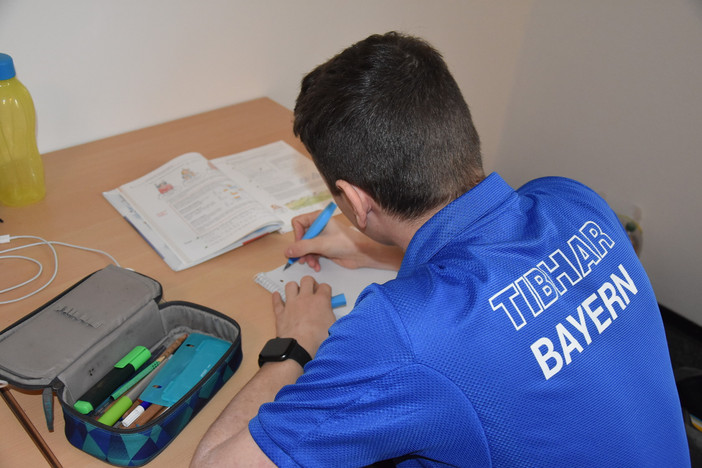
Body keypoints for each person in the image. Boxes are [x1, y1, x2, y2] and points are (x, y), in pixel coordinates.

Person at [191, 32, 689, 467]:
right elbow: (500, 271)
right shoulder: (573, 201)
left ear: (358, 201)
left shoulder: (401, 336)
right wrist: (374, 251)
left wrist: (296, 346)